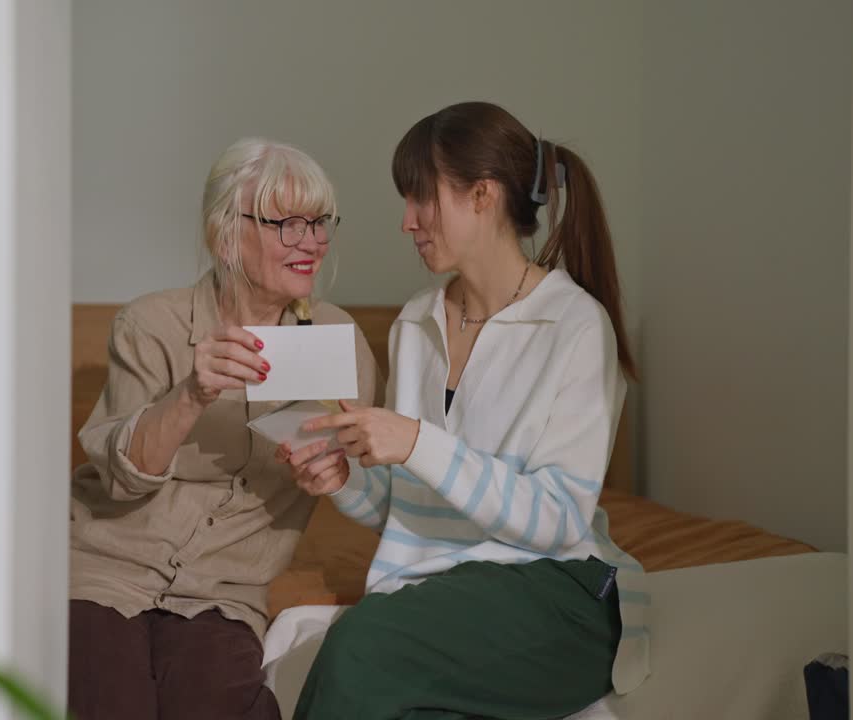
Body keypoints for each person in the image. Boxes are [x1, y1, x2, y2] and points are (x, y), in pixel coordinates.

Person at [279, 101, 650, 719]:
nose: (407, 221)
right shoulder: (414, 324)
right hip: (442, 591)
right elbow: (413, 511)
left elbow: (559, 519)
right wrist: (344, 480)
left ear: (482, 197)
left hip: (559, 591)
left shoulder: (576, 326)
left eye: (421, 198)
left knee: (359, 650)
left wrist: (417, 440)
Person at [68, 137, 381, 720]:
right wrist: (191, 394)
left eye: (318, 222)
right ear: (224, 234)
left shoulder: (340, 343)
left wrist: (336, 475)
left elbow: (368, 486)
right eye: (286, 223)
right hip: (103, 571)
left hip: (223, 593)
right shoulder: (150, 324)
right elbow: (121, 482)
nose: (310, 241)